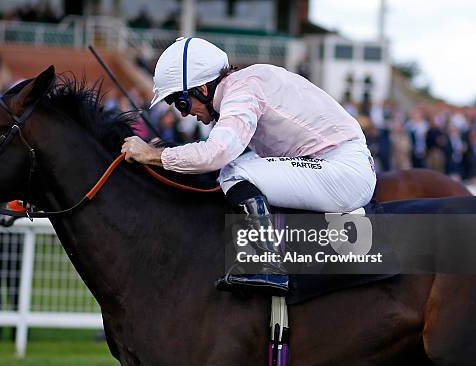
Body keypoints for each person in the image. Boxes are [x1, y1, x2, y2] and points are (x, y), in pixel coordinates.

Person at [121, 38, 376, 295]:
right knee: (236, 168)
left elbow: (216, 153)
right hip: (333, 164)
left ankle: (267, 265)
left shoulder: (243, 89)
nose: (184, 114)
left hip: (343, 169)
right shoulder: (243, 84)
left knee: (234, 172)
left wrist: (153, 155)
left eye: (181, 103)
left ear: (203, 89)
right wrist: (164, 151)